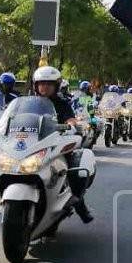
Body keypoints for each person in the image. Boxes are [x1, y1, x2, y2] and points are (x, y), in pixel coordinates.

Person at [32, 66, 93, 223]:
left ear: (56, 86)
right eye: (41, 83)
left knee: (71, 169)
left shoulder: (62, 103)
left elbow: (70, 119)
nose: (44, 87)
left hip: (55, 143)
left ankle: (79, 205)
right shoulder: (30, 102)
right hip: (32, 144)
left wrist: (71, 124)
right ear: (36, 85)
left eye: (49, 84)